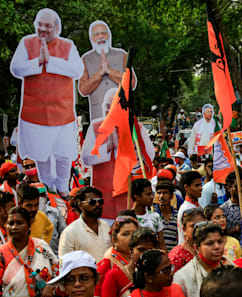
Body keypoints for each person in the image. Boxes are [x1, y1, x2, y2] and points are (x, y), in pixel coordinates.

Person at [10, 8, 84, 196]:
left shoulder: (68, 45)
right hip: (34, 114)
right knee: (40, 155)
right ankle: (48, 188)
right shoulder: (26, 43)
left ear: (57, 28)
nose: (42, 29)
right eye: (39, 25)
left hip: (63, 113)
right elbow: (17, 68)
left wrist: (50, 63)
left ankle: (62, 187)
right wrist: (38, 62)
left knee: (63, 155)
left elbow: (77, 70)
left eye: (47, 26)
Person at [81, 88, 155, 219]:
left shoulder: (136, 127)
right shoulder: (95, 127)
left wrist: (128, 150)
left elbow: (149, 155)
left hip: (129, 192)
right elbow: (86, 158)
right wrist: (107, 148)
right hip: (104, 194)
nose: (112, 110)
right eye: (109, 106)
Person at [174, 222, 235, 297]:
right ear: (197, 247)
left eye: (219, 241)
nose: (217, 247)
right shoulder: (183, 278)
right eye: (209, 243)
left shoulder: (232, 269)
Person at [79, 20, 137, 120]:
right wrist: (100, 73)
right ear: (92, 38)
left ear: (109, 36)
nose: (100, 37)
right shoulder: (85, 59)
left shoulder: (122, 55)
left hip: (121, 113)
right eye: (96, 34)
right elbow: (83, 90)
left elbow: (131, 83)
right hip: (98, 116)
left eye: (103, 33)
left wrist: (110, 71)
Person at [101, 227, 159, 297]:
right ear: (131, 250)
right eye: (141, 249)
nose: (145, 254)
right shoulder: (114, 276)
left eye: (150, 250)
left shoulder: (158, 277)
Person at [58, 186, 111, 262]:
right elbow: (64, 264)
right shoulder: (70, 232)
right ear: (80, 205)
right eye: (92, 202)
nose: (97, 205)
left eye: (100, 201)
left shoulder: (106, 226)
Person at [95, 214, 139, 297]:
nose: (132, 237)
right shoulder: (107, 265)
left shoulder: (140, 258)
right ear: (114, 241)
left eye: (135, 233)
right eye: (126, 234)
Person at [131, 178, 166, 250]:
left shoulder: (155, 217)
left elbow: (161, 245)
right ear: (137, 196)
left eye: (152, 194)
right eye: (148, 194)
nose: (152, 197)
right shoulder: (127, 218)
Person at [176, 171, 203, 243]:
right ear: (186, 187)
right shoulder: (187, 209)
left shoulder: (197, 205)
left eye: (201, 185)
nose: (201, 188)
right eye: (197, 185)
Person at [221, 170, 242, 239]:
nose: (241, 189)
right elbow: (220, 233)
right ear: (229, 188)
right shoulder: (223, 209)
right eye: (237, 186)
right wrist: (236, 229)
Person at [155, 181, 179, 251]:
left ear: (171, 196)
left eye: (165, 193)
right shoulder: (153, 216)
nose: (161, 196)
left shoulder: (177, 216)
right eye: (159, 193)